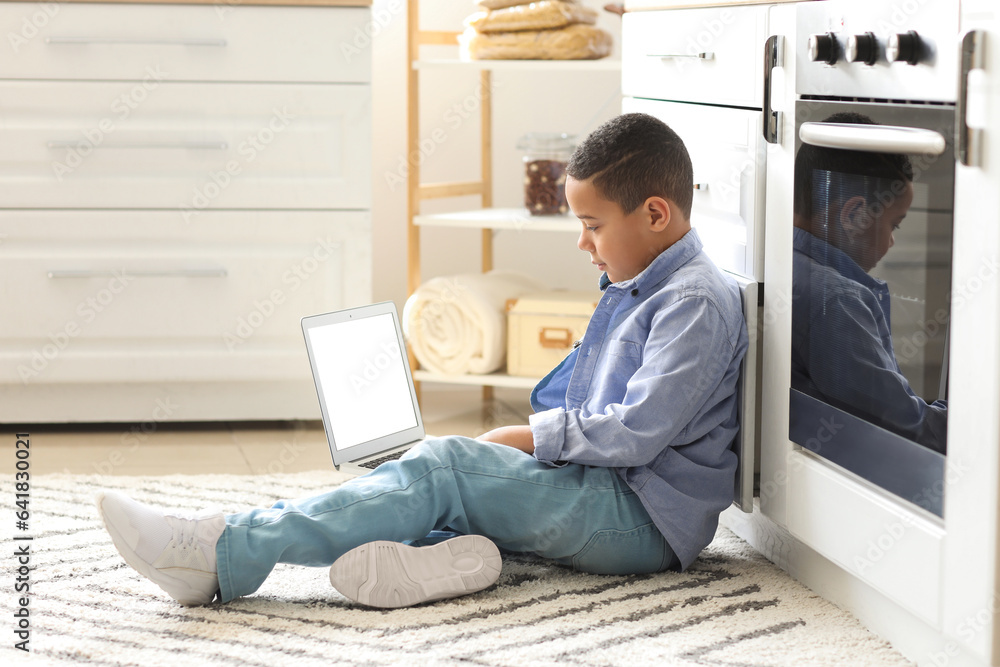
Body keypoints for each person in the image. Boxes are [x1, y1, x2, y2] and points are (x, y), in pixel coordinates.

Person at [96, 112, 749, 609]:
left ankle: (219, 552)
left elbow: (639, 429)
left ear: (656, 213)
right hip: (611, 494)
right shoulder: (649, 283)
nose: (583, 241)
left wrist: (529, 438)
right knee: (444, 471)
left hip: (639, 518)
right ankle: (458, 558)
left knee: (445, 466)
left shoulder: (693, 303)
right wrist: (524, 450)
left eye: (594, 224)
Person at [791, 111, 947, 453]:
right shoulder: (836, 301)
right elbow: (905, 427)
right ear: (853, 215)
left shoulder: (785, 265)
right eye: (895, 225)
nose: (891, 242)